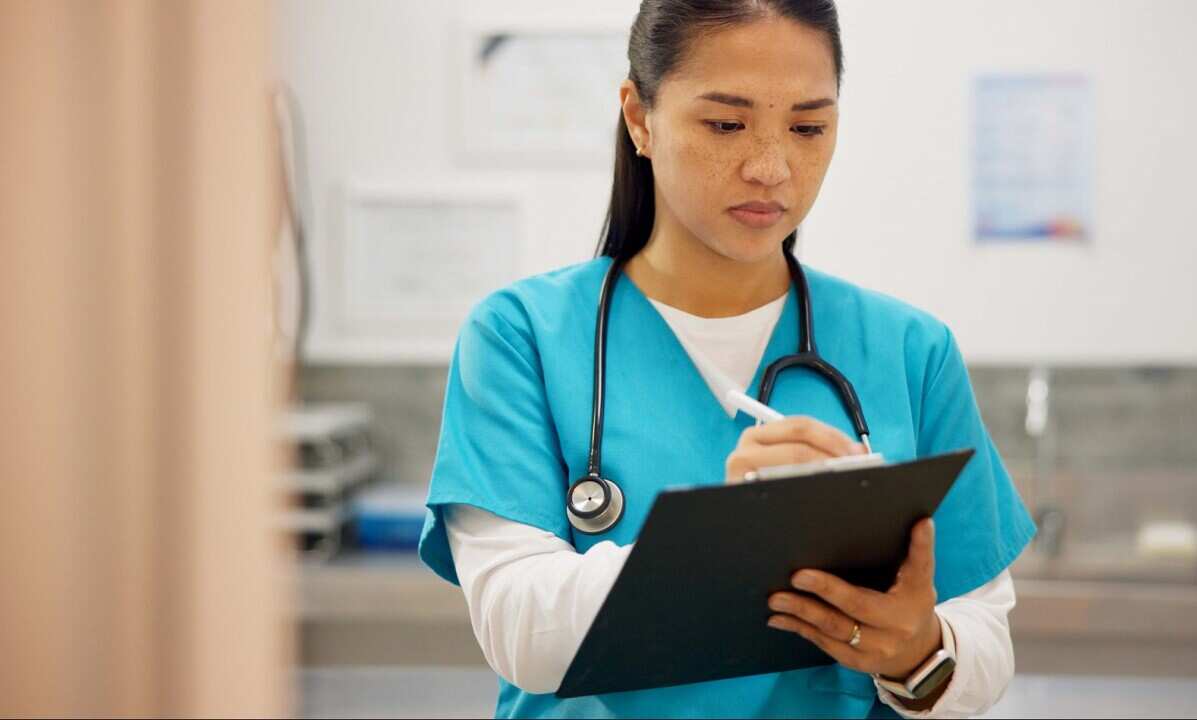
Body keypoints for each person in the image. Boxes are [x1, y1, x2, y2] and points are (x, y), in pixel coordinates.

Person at [418, 1, 1035, 717]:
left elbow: (984, 642)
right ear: (640, 118)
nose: (771, 168)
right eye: (725, 124)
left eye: (808, 127)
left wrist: (917, 653)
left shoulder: (909, 352)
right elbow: (518, 630)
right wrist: (743, 535)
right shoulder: (521, 336)